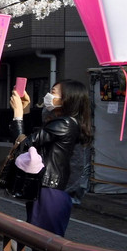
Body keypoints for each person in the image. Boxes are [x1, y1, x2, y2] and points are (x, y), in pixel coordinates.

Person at [8, 79, 93, 237]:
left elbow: (25, 145)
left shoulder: (66, 123)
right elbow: (35, 139)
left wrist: (18, 116)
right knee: (40, 242)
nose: (48, 95)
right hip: (48, 189)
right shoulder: (65, 122)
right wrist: (26, 110)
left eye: (53, 93)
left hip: (50, 191)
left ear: (67, 99)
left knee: (45, 243)